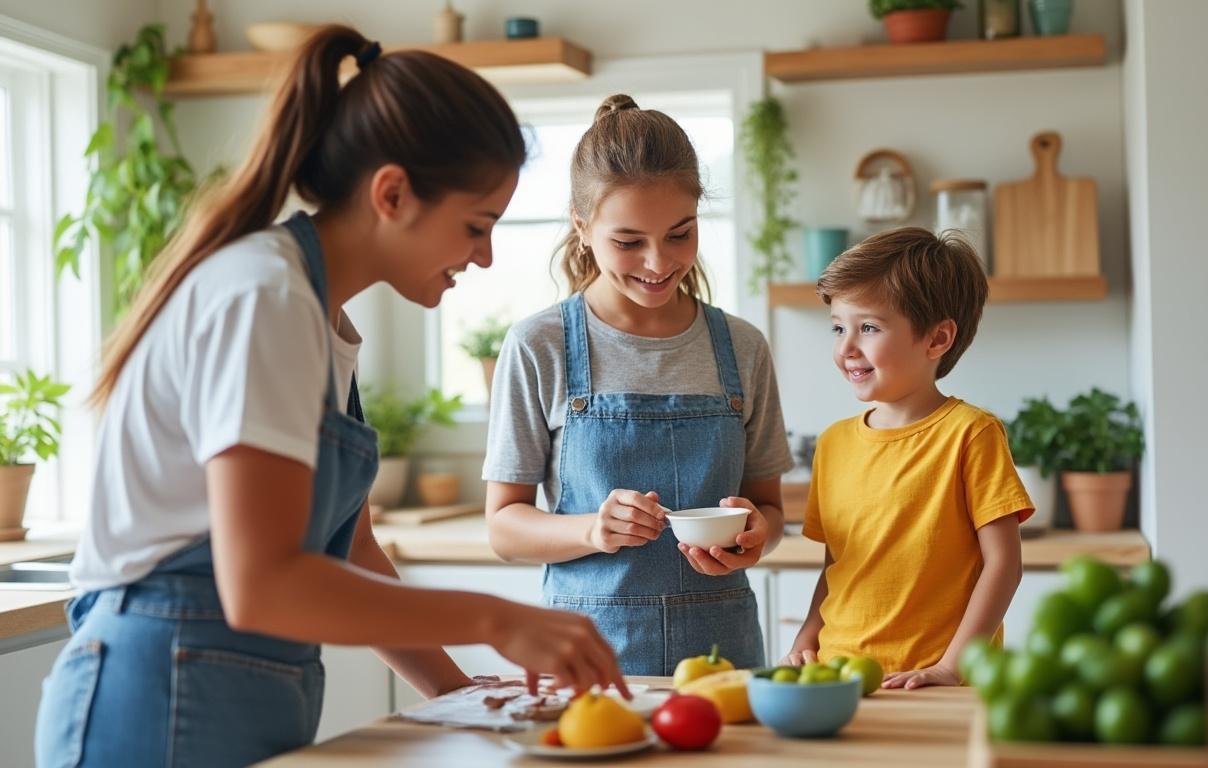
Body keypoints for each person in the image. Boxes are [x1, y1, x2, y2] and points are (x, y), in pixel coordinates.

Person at [36, 25, 624, 768]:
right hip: (156, 693)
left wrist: (462, 696)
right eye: (476, 225)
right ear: (392, 193)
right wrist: (497, 620)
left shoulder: (316, 316)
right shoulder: (266, 296)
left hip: (221, 691)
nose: (485, 255)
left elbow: (351, 549)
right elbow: (263, 584)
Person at [483, 94, 794, 675]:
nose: (657, 262)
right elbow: (504, 527)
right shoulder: (540, 345)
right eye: (629, 242)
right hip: (587, 656)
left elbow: (770, 509)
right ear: (582, 227)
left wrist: (756, 536)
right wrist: (593, 529)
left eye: (680, 234)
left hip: (724, 657)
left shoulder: (743, 347)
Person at [783, 228, 1032, 689]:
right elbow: (837, 566)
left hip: (931, 680)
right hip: (836, 676)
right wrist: (807, 635)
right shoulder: (834, 444)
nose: (846, 348)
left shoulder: (971, 434)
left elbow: (1004, 565)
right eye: (838, 327)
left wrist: (952, 667)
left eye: (869, 328)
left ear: (937, 339)